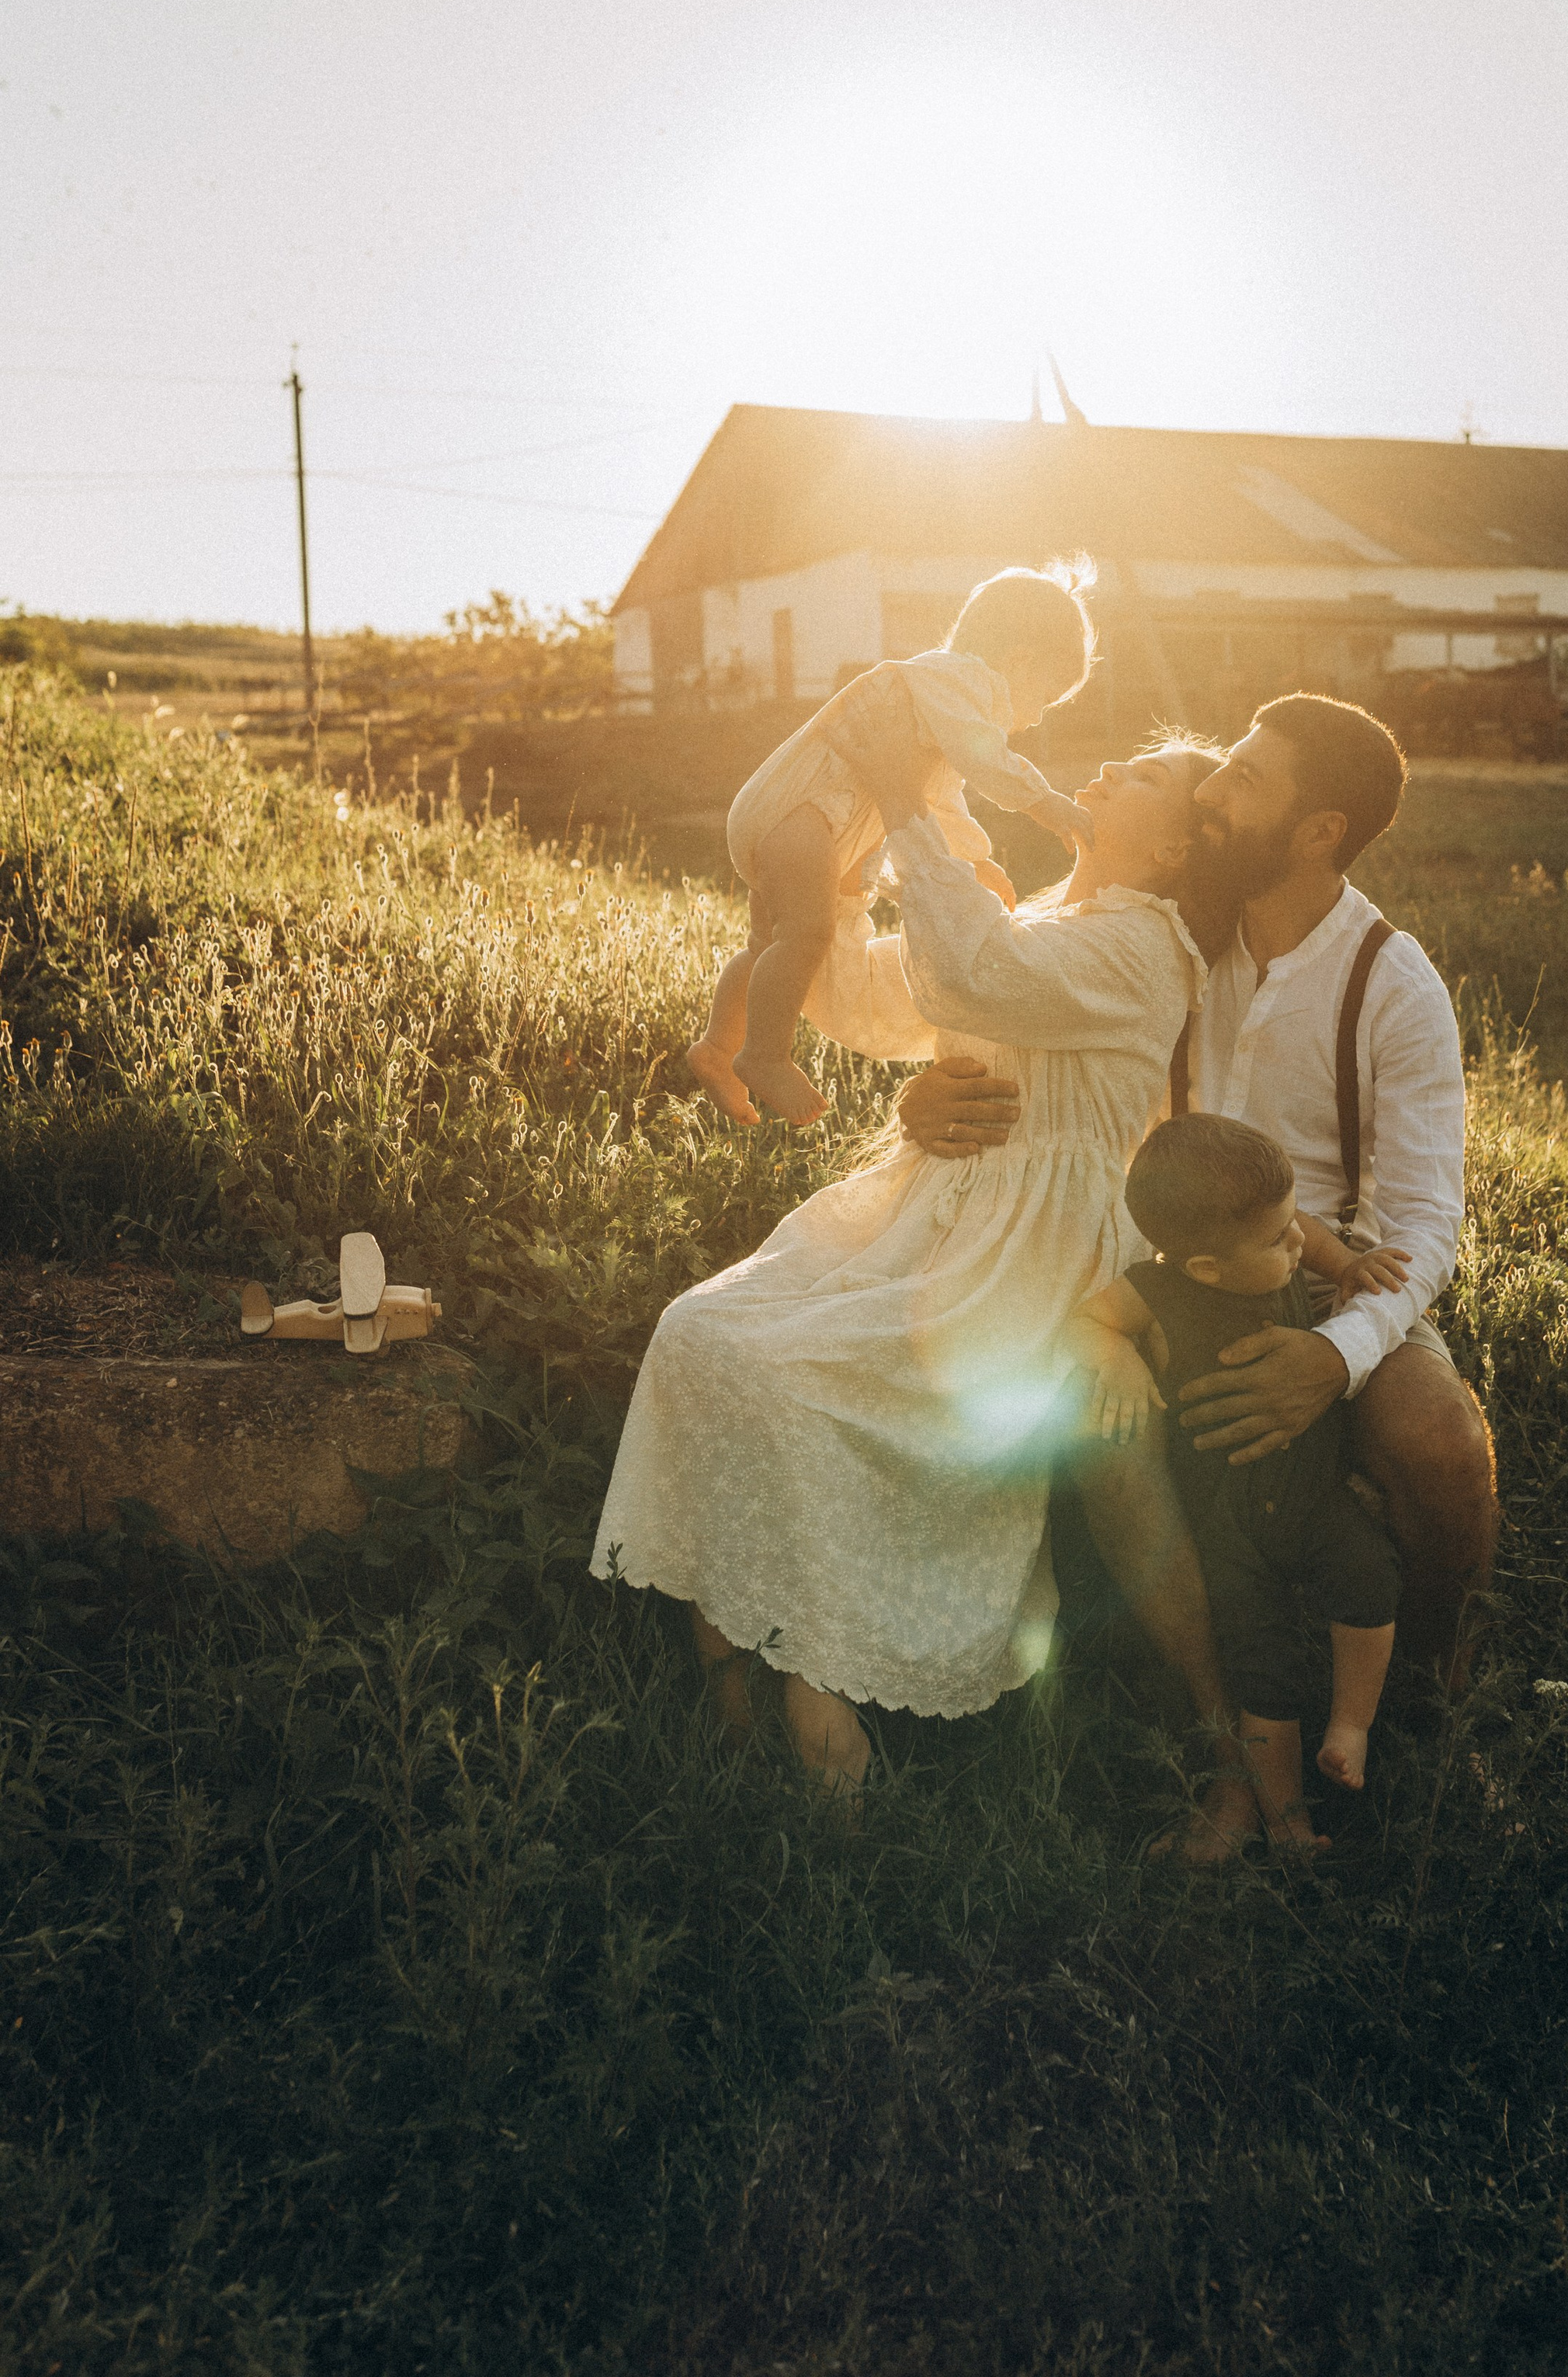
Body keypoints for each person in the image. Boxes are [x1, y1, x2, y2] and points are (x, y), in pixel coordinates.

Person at [593, 700, 1241, 1799]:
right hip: (938, 1211)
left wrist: (905, 800)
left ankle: (816, 1679)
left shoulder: (1146, 946)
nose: (1110, 764)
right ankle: (737, 1675)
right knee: (703, 1332)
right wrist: (832, 881)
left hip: (1030, 1256)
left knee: (794, 1379)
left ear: (1176, 849)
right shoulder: (1037, 912)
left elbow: (977, 974)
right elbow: (874, 1001)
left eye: (1145, 777)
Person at [899, 694, 1496, 1706]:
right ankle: (1181, 1695)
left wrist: (1334, 1354)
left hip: (1327, 1272)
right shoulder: (1163, 927)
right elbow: (1016, 1006)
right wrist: (927, 1096)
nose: (1212, 792)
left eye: (1246, 780)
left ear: (1318, 832)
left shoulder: (1394, 985)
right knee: (1095, 1410)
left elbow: (1426, 1224)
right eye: (1225, 767)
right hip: (1152, 1253)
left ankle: (1433, 1679)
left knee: (1436, 1434)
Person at [1068, 1115, 1406, 1850]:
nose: (1299, 1244)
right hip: (1231, 1526)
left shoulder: (1276, 1250)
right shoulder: (1157, 1292)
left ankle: (1351, 1726)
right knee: (1261, 1669)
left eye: (1295, 1226)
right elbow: (1085, 1320)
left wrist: (1348, 1266)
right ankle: (1286, 1820)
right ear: (1206, 1270)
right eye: (1280, 1240)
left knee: (1371, 1579)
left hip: (1312, 1496)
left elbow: (1309, 1231)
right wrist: (1115, 1353)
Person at [689, 566, 1099, 1127]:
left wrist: (974, 860)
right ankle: (764, 1054)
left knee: (770, 944)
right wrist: (1044, 802)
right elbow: (984, 758)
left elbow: (938, 798)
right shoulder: (958, 680)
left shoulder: (938, 696)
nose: (1035, 719)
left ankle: (717, 1047)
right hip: (800, 812)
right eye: (1046, 699)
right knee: (809, 933)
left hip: (800, 820)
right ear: (1020, 662)